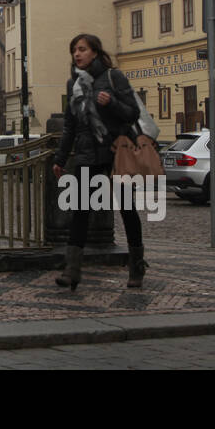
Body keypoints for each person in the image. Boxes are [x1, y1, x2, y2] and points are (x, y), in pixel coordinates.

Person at [52, 33, 147, 290]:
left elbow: (133, 112)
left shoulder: (113, 78)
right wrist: (60, 158)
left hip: (116, 151)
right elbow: (70, 127)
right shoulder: (74, 84)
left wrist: (112, 102)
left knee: (127, 209)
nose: (77, 54)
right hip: (87, 153)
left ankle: (137, 267)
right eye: (74, 50)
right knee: (80, 212)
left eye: (82, 49)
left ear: (95, 52)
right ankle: (72, 270)